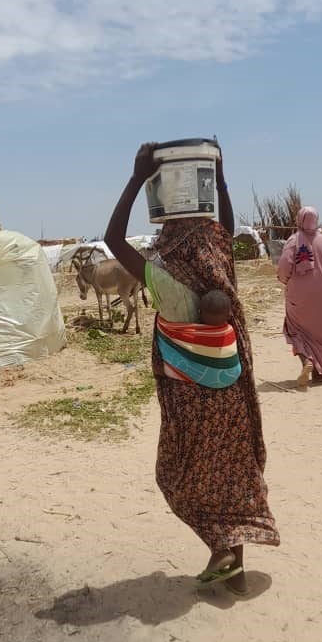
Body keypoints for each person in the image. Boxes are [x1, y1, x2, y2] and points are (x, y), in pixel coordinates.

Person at [105, 143, 280, 594]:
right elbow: (224, 223)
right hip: (230, 386)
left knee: (180, 471)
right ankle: (233, 566)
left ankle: (220, 551)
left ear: (164, 227)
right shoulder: (219, 257)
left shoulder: (160, 273)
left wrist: (137, 177)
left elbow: (112, 239)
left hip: (187, 392)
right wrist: (219, 177)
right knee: (233, 472)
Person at [277, 206, 322, 389]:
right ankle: (318, 372)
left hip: (299, 296)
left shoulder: (293, 241)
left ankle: (306, 361)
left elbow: (284, 267)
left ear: (300, 219)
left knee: (294, 329)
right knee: (319, 334)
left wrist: (284, 281)